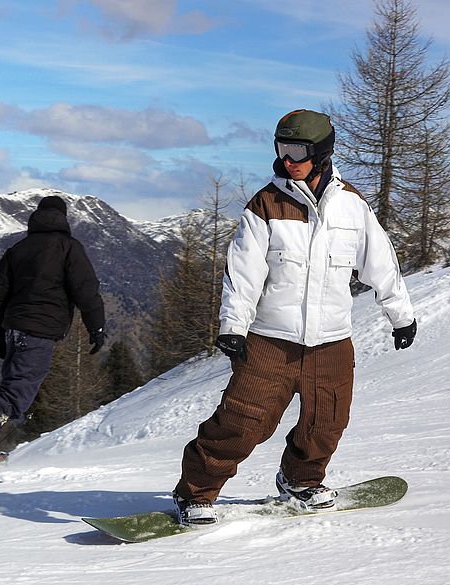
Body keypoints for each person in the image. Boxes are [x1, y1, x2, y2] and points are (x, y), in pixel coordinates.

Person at [172, 109, 417, 526]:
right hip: (271, 339)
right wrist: (233, 326)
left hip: (332, 340)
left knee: (327, 421)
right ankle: (195, 492)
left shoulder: (352, 206)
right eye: (282, 149)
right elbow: (243, 273)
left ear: (321, 152)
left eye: (298, 151)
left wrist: (401, 315)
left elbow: (381, 264)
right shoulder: (266, 205)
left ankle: (301, 481)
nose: (288, 159)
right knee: (242, 421)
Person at [0, 194, 107, 457]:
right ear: (64, 217)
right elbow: (86, 290)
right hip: (39, 331)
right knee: (18, 391)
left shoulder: (18, 249)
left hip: (13, 328)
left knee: (13, 386)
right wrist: (97, 327)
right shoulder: (69, 247)